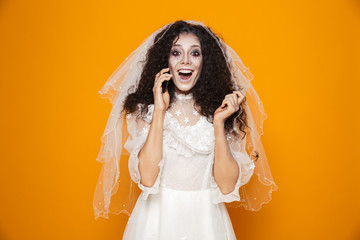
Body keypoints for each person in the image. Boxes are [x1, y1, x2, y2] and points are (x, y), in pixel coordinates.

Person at [93, 20, 278, 239]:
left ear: (205, 62)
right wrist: (159, 111)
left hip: (206, 224)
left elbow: (227, 187)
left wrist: (219, 124)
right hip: (155, 223)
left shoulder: (222, 110)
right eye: (176, 53)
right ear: (165, 61)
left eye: (195, 53)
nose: (186, 61)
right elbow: (148, 179)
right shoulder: (146, 110)